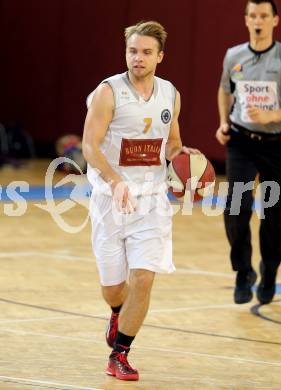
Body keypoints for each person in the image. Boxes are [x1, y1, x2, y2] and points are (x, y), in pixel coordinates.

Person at [82, 21, 199, 381]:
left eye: (146, 52)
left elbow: (172, 143)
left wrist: (185, 159)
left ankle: (120, 353)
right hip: (110, 199)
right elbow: (89, 145)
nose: (138, 58)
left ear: (160, 56)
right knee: (113, 287)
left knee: (144, 279)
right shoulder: (108, 92)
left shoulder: (170, 95)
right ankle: (117, 309)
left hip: (151, 201)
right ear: (126, 53)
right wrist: (115, 180)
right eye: (133, 51)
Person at [216, 0, 281, 305]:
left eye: (264, 16)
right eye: (253, 15)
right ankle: (244, 272)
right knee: (235, 210)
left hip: (276, 145)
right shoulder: (234, 55)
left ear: (274, 21)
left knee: (273, 215)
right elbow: (225, 89)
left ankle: (269, 272)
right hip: (241, 141)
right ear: (246, 20)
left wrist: (272, 116)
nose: (258, 20)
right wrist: (223, 122)